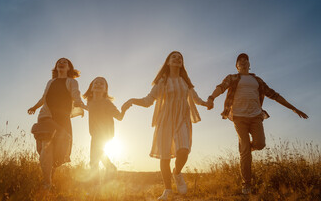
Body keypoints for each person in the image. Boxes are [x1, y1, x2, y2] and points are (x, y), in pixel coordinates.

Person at [205, 53, 308, 195]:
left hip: (255, 117)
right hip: (239, 117)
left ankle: (245, 148)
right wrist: (211, 98)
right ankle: (246, 183)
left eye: (245, 60)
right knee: (246, 152)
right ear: (236, 66)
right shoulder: (232, 78)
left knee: (260, 144)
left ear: (249, 64)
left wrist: (294, 108)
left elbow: (274, 95)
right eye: (239, 61)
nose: (242, 62)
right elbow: (221, 87)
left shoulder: (257, 80)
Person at [122, 51, 208, 200]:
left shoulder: (185, 81)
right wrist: (131, 100)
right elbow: (148, 101)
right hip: (165, 121)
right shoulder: (162, 81)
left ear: (182, 63)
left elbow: (196, 98)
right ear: (167, 62)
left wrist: (207, 103)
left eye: (180, 57)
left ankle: (177, 173)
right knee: (165, 156)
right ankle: (167, 190)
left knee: (183, 151)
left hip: (182, 119)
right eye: (173, 57)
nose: (177, 59)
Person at [28, 58, 87, 189]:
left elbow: (75, 95)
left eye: (64, 62)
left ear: (68, 68)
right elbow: (44, 98)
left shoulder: (72, 81)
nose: (61, 63)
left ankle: (49, 179)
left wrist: (79, 103)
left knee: (59, 153)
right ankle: (46, 183)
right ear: (56, 67)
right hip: (46, 117)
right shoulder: (51, 82)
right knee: (47, 148)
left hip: (63, 118)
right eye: (59, 62)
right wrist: (34, 107)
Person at [83, 77, 128, 178]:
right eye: (96, 83)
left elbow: (119, 117)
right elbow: (90, 109)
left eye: (101, 83)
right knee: (96, 156)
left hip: (105, 133)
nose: (98, 84)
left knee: (94, 158)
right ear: (91, 87)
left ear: (105, 90)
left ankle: (95, 182)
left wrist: (124, 109)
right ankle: (110, 169)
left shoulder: (107, 103)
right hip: (94, 133)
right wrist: (81, 107)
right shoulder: (90, 102)